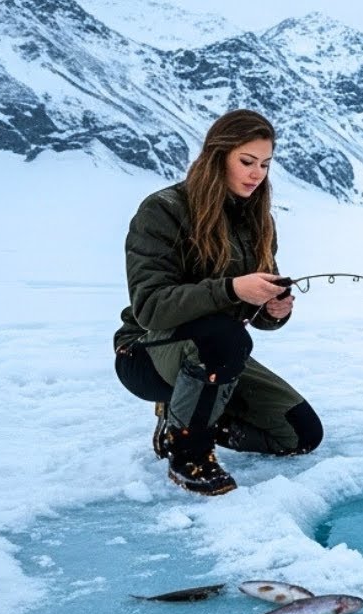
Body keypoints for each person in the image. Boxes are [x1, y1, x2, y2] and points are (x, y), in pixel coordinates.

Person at [113, 109, 322, 496]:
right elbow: (150, 306)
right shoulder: (163, 210)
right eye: (247, 161)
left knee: (299, 434)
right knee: (225, 339)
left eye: (265, 164)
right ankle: (188, 452)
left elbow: (253, 310)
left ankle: (182, 414)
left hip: (215, 351)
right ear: (217, 155)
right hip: (145, 352)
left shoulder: (258, 220)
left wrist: (273, 310)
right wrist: (231, 289)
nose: (257, 173)